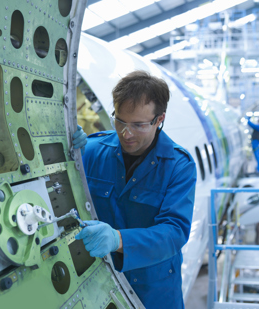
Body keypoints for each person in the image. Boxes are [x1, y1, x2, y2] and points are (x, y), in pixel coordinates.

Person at [72, 70, 197, 308]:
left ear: (159, 119)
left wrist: (118, 240)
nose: (126, 133)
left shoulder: (179, 166)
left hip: (154, 291)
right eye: (120, 121)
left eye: (138, 125)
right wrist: (69, 149)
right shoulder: (94, 150)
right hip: (99, 282)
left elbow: (174, 231)